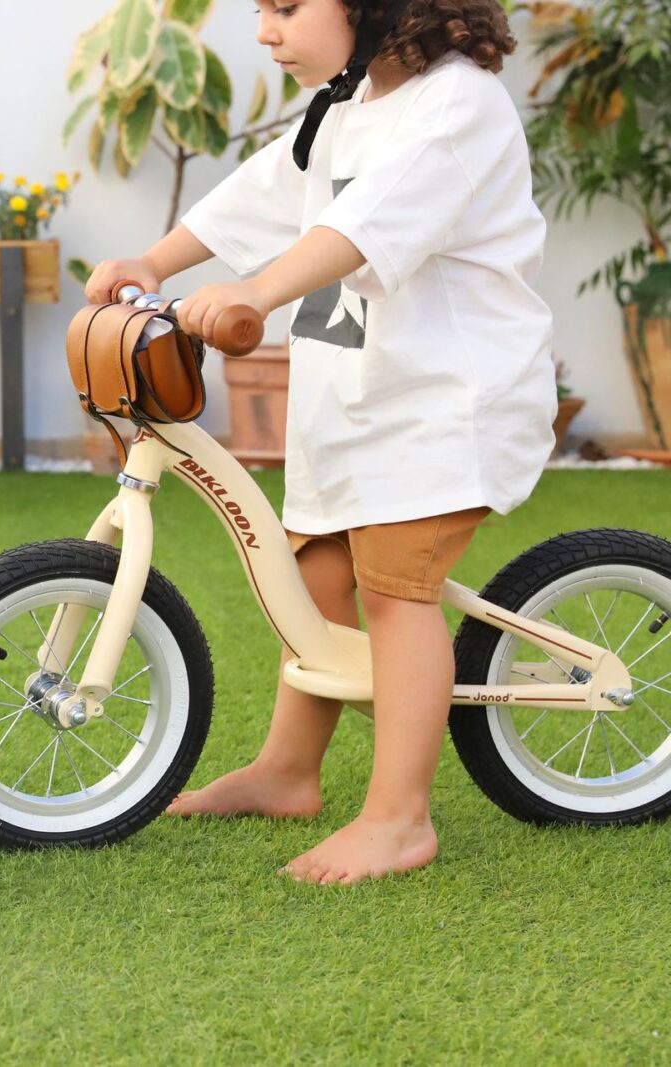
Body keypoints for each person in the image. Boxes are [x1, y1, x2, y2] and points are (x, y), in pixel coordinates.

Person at [84, 0, 555, 884]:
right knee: (318, 575)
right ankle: (289, 770)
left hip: (447, 402)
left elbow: (360, 228)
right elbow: (264, 193)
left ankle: (399, 818)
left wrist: (255, 295)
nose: (266, 31)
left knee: (395, 592)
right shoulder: (342, 109)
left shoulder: (459, 108)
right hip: (360, 398)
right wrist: (155, 262)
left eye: (287, 7)